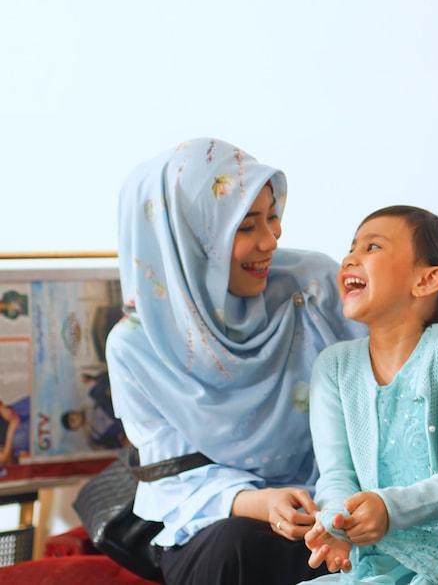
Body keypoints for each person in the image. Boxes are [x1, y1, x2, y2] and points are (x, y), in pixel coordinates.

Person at [104, 138, 366, 585]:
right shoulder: (135, 346)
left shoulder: (314, 286)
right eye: (245, 227)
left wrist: (340, 497)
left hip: (338, 501)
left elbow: (380, 391)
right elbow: (169, 475)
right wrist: (260, 502)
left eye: (272, 216)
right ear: (186, 239)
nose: (271, 239)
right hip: (218, 517)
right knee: (240, 545)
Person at [301, 206, 438, 585]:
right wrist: (336, 523)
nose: (350, 257)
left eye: (372, 247)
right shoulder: (333, 366)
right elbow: (336, 475)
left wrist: (389, 508)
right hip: (372, 562)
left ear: (427, 280)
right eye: (352, 247)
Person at [60, 370, 129, 450]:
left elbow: (108, 379)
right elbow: (119, 443)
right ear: (75, 428)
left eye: (72, 414)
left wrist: (95, 379)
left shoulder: (93, 397)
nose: (75, 417)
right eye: (72, 420)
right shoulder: (95, 437)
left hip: (129, 406)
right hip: (133, 429)